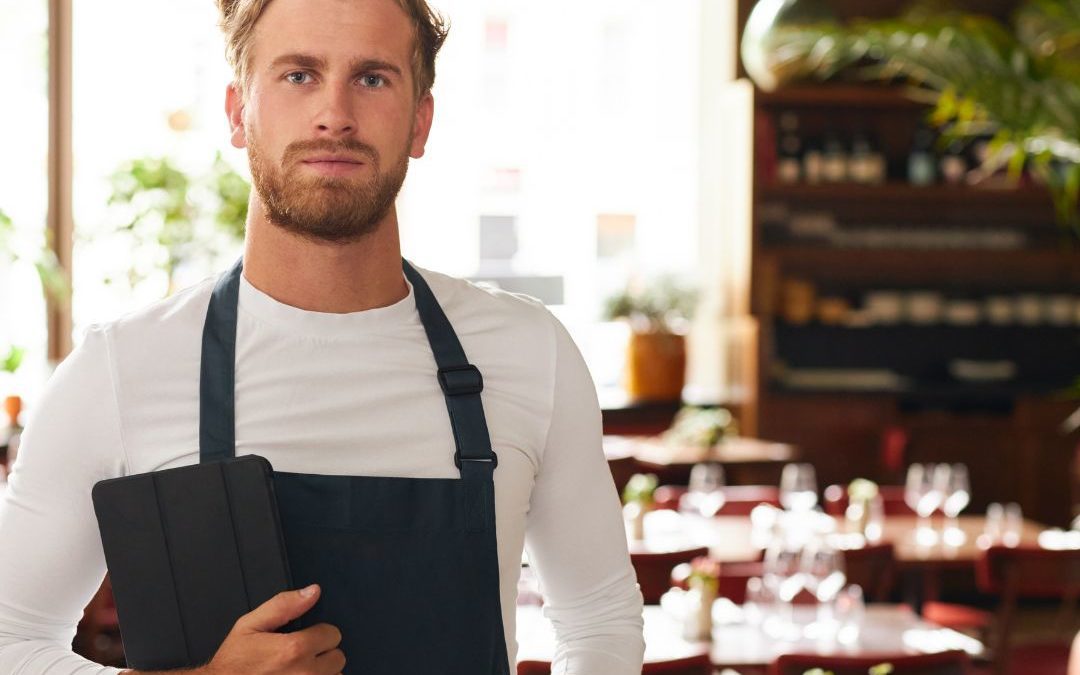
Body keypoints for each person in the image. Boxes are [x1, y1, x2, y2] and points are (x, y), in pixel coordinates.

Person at [0, 0, 646, 673]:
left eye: (372, 78)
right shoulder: (119, 368)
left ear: (420, 121)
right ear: (236, 113)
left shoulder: (529, 353)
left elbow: (600, 621)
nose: (334, 114)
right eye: (299, 75)